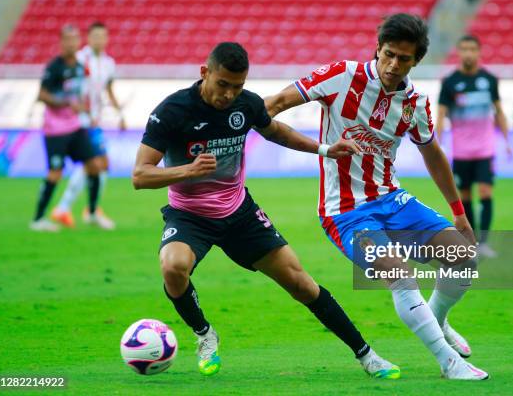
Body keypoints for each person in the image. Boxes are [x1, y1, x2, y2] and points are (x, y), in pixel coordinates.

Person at [132, 42, 400, 379]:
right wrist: (187, 171)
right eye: (222, 84)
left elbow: (276, 132)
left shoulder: (247, 105)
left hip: (239, 212)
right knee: (173, 266)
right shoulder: (172, 111)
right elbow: (140, 175)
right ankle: (204, 335)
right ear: (205, 73)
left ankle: (367, 356)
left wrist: (325, 149)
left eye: (237, 86)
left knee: (302, 285)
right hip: (190, 215)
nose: (229, 95)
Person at [265, 14, 488, 380]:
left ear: (416, 61)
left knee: (463, 260)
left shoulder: (415, 102)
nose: (393, 65)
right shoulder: (341, 75)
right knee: (401, 276)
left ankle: (438, 320)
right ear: (377, 49)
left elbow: (432, 154)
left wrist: (459, 214)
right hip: (346, 212)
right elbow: (274, 104)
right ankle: (450, 362)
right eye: (388, 55)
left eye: (403, 59)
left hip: (392, 200)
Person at [436, 34, 511, 257]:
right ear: (459, 52)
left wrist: (507, 141)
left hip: (485, 149)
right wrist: (438, 143)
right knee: (465, 197)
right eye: (464, 49)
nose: (468, 53)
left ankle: (484, 242)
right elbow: (440, 114)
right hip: (461, 151)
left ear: (478, 52)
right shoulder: (450, 82)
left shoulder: (489, 80)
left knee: (486, 192)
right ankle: (472, 243)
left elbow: (499, 111)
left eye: (472, 49)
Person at [30, 25, 102, 232]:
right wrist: (66, 103)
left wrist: (86, 110)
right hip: (55, 130)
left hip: (75, 126)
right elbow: (42, 95)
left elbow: (79, 93)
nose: (72, 43)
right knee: (55, 173)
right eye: (68, 40)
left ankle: (92, 212)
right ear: (61, 42)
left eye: (75, 39)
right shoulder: (54, 67)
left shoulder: (80, 66)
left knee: (94, 166)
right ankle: (38, 219)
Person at [52, 21, 123, 229]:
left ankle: (73, 209)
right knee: (96, 163)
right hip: (81, 119)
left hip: (95, 119)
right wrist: (82, 110)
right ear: (88, 38)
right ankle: (82, 210)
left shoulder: (109, 63)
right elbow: (72, 89)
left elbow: (108, 89)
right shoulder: (80, 60)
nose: (99, 40)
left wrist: (120, 113)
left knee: (96, 164)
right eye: (95, 36)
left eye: (103, 36)